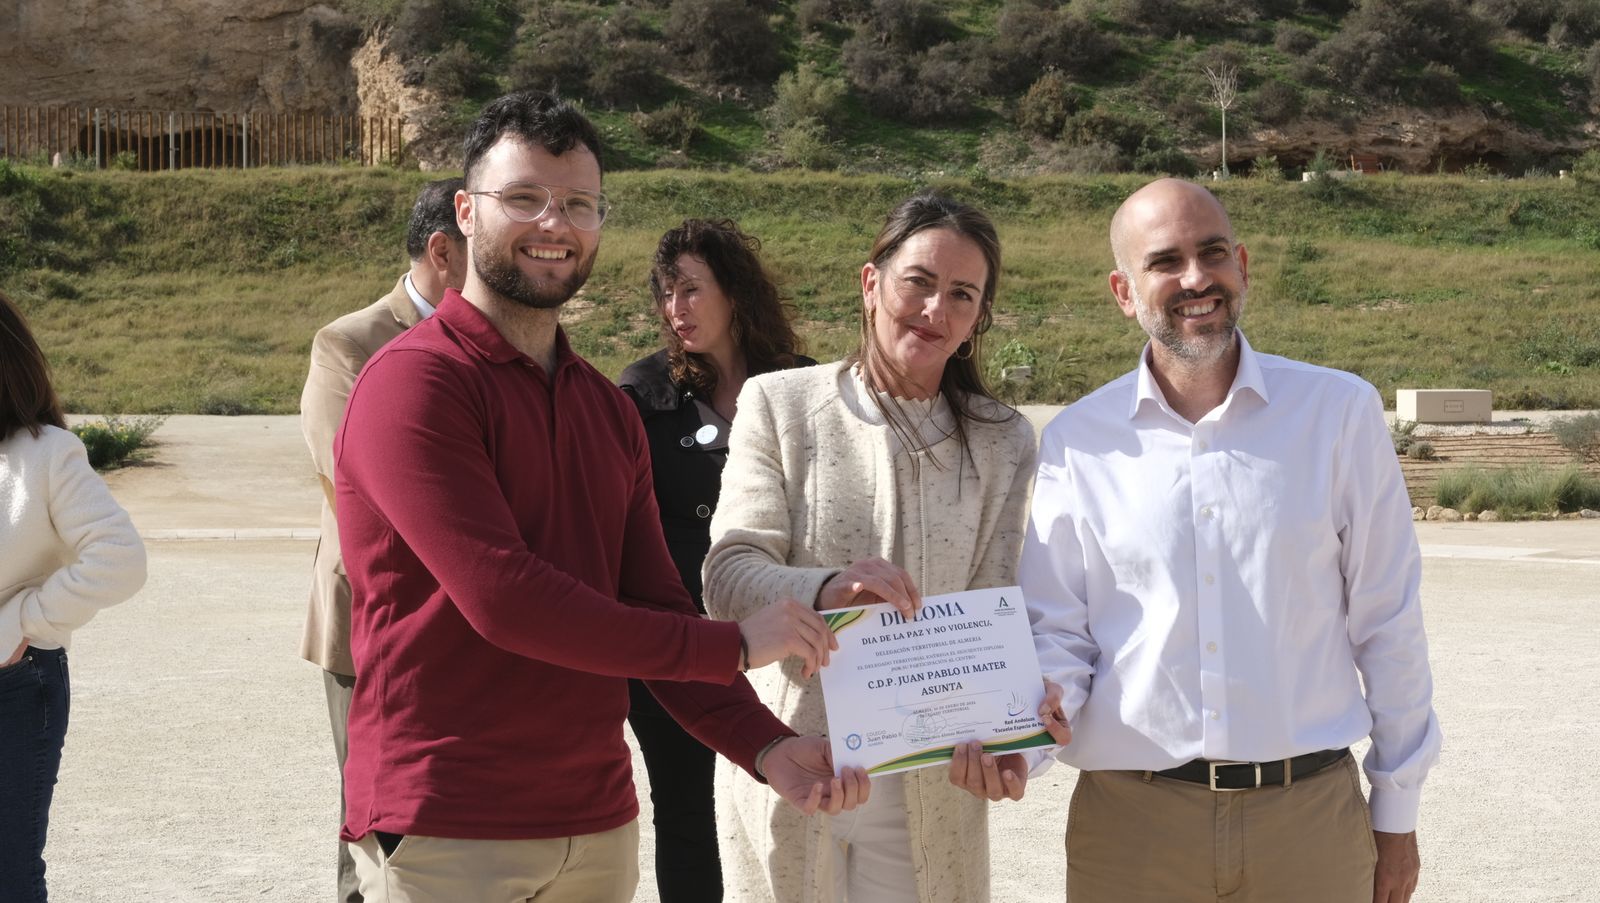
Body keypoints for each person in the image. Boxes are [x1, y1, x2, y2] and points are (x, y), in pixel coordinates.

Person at [332, 91, 866, 903]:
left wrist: (765, 745)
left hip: (596, 822)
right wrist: (732, 645)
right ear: (467, 213)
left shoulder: (605, 408)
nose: (555, 223)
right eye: (525, 198)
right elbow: (505, 599)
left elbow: (653, 603)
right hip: (451, 823)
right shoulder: (412, 384)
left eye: (579, 203)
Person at [1020, 178, 1442, 903]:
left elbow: (1388, 619)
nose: (1195, 278)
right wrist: (1028, 729)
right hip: (1131, 830)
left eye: (1212, 253)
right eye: (1164, 261)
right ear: (1124, 291)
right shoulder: (1077, 442)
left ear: (1241, 265)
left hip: (1308, 817)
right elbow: (1057, 629)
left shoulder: (1338, 412)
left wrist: (1396, 812)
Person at [703, 194, 1058, 903]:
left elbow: (996, 610)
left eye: (962, 294)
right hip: (801, 765)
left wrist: (1014, 737)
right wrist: (826, 588)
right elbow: (727, 578)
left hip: (935, 789)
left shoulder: (1002, 439)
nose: (935, 309)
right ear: (872, 284)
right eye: (918, 281)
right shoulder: (780, 404)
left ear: (977, 319)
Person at [617, 219, 816, 903]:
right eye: (667, 294)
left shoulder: (801, 384)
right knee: (688, 812)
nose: (677, 310)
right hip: (677, 646)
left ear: (734, 291)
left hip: (790, 641)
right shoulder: (641, 396)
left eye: (692, 290)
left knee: (790, 803)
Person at [298, 176, 466, 903]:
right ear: (443, 251)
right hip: (373, 624)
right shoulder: (349, 343)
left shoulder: (504, 340)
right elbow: (358, 484)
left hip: (473, 624)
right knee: (375, 832)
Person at [0, 289, 147, 902]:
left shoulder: (46, 454)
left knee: (8, 874)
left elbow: (120, 560)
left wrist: (24, 624)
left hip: (15, 688)